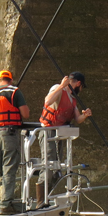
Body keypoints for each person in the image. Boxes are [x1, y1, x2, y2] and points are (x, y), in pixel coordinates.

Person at [37, 72, 92, 206]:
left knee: (57, 168)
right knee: (48, 164)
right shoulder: (58, 88)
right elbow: (48, 101)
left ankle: (47, 197)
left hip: (60, 134)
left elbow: (77, 118)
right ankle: (40, 201)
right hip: (48, 132)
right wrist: (62, 85)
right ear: (78, 84)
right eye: (82, 87)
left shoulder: (72, 99)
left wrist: (85, 116)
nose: (81, 90)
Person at [0, 69, 30, 215]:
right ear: (11, 80)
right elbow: (25, 114)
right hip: (10, 134)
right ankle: (5, 205)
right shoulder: (15, 92)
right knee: (9, 170)